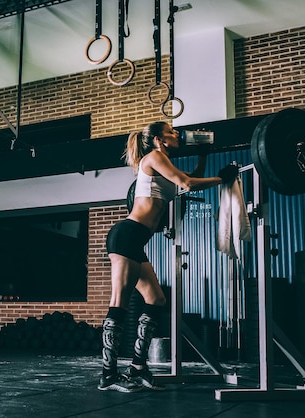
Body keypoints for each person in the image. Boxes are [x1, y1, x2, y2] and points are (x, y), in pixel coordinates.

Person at [98, 121, 238, 392]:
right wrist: (223, 178)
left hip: (136, 241)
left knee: (156, 299)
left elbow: (187, 183)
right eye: (172, 132)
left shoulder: (164, 164)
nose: (177, 135)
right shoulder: (154, 158)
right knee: (119, 302)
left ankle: (138, 366)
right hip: (126, 235)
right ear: (160, 140)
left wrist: (204, 156)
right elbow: (187, 183)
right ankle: (108, 374)